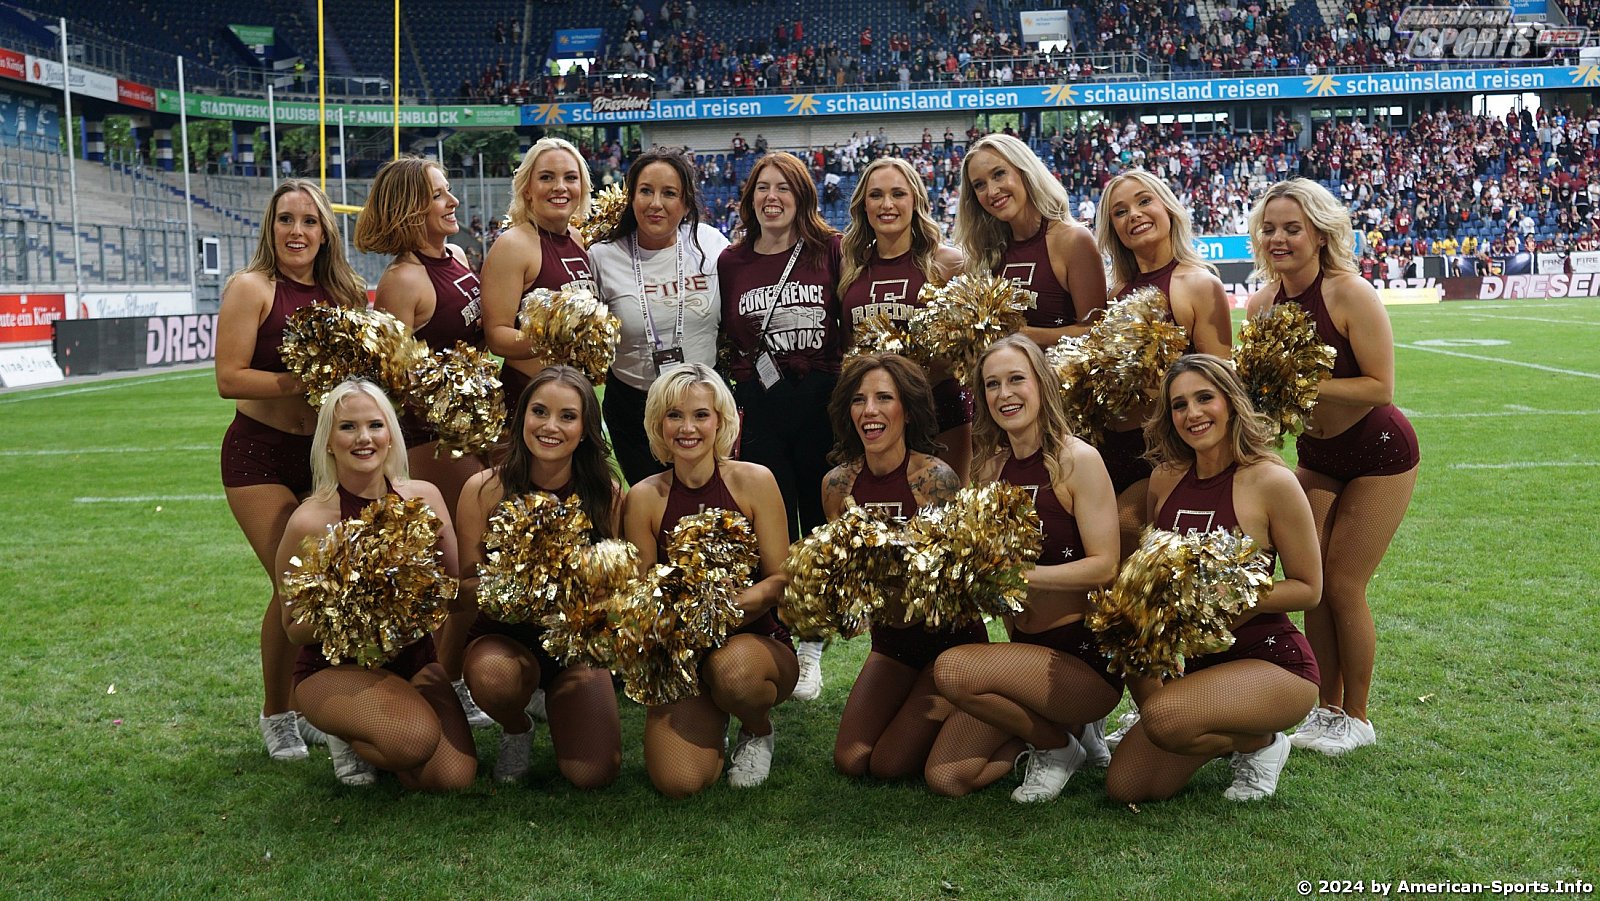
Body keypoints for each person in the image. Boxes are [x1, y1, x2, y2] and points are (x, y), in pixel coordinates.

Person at [1247, 179, 1419, 755]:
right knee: (1313, 586)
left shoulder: (1349, 293)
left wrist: (1297, 380)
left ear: (1320, 234)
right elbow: (1266, 395)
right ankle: (1327, 710)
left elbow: (1380, 387)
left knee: (1344, 585)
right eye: (1270, 228)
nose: (1278, 238)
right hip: (1316, 456)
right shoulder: (1260, 305)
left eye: (1292, 228)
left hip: (1379, 453)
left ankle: (1359, 718)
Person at [1104, 355, 1322, 803]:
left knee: (1163, 719)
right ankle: (1217, 730)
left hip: (1268, 660)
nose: (1193, 413)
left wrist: (1226, 594)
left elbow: (1309, 588)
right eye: (1179, 405)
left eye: (1205, 398)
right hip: (1195, 665)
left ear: (1231, 402)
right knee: (1127, 787)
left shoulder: (1271, 480)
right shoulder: (1164, 479)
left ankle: (1261, 742)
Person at [924, 335, 1121, 802]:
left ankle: (1058, 746)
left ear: (1042, 383)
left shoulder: (1077, 459)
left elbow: (1105, 566)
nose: (1004, 394)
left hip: (1082, 661)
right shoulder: (989, 468)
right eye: (992, 385)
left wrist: (1019, 576)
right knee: (947, 779)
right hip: (1022, 656)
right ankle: (1064, 737)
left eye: (1016, 379)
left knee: (953, 671)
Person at [215, 179, 367, 760]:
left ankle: (310, 706)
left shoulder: (347, 292)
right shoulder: (252, 287)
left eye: (309, 221)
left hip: (324, 458)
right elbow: (229, 378)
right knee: (295, 585)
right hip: (260, 454)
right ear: (270, 227)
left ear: (326, 231)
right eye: (286, 219)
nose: (297, 231)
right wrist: (305, 377)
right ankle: (278, 715)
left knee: (323, 583)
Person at [275, 379, 476, 790]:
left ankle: (389, 722)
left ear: (391, 435)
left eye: (375, 425)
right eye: (348, 427)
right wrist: (360, 606)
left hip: (414, 660)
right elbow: (293, 627)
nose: (363, 438)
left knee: (454, 777)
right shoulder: (309, 521)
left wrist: (512, 583)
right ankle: (346, 732)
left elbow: (454, 592)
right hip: (334, 669)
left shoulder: (425, 497)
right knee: (413, 741)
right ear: (328, 441)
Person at [354, 157, 492, 726]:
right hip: (431, 440)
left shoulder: (456, 256)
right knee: (462, 568)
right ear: (412, 209)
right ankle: (445, 682)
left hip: (473, 431)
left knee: (481, 559)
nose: (452, 201)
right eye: (438, 195)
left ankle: (455, 675)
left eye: (448, 190)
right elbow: (390, 380)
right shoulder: (403, 281)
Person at [621, 364, 797, 796]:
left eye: (701, 414)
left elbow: (781, 579)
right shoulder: (643, 497)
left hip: (755, 643)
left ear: (721, 421)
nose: (688, 428)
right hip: (682, 654)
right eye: (674, 415)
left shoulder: (755, 481)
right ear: (658, 423)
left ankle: (756, 728)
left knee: (733, 673)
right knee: (679, 782)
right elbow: (645, 596)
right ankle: (710, 715)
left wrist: (728, 607)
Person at [454, 367, 624, 787]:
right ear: (522, 417)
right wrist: (521, 584)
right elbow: (464, 590)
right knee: (495, 679)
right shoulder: (483, 489)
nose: (550, 426)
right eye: (539, 411)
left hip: (573, 647)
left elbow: (618, 588)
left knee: (593, 774)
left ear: (585, 429)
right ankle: (517, 727)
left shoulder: (606, 493)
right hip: (503, 638)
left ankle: (560, 701)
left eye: (568, 416)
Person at [718, 151, 843, 702]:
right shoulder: (732, 261)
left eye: (784, 188)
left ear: (802, 196)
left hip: (821, 402)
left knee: (817, 522)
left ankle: (811, 643)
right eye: (762, 188)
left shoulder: (830, 248)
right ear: (749, 199)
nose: (772, 198)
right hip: (762, 404)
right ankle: (782, 632)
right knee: (772, 527)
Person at [822, 354, 973, 780]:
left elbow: (953, 584)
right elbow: (844, 576)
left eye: (884, 398)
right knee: (851, 760)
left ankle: (969, 707)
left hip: (946, 643)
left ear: (907, 409)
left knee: (890, 765)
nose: (869, 410)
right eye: (858, 400)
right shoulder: (836, 485)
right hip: (890, 646)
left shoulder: (935, 479)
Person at [1095, 168, 1234, 554]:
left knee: (1121, 533)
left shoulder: (1198, 284)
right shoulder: (1114, 294)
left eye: (1144, 201)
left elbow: (1222, 385)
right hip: (1109, 447)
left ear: (1168, 208)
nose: (1134, 215)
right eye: (1120, 212)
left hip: (1166, 451)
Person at [590, 146, 730, 486]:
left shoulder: (710, 243)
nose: (656, 203)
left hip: (705, 401)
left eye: (669, 193)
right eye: (646, 191)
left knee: (710, 502)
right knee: (653, 502)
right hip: (634, 405)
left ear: (686, 203)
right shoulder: (602, 256)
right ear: (631, 198)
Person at [838, 157, 972, 482]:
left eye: (898, 194)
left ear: (916, 201)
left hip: (941, 411)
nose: (887, 205)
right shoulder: (850, 267)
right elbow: (848, 348)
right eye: (876, 195)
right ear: (864, 205)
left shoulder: (950, 263)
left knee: (946, 509)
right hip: (875, 417)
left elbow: (969, 352)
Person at [481, 137, 597, 416]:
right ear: (528, 189)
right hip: (530, 397)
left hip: (574, 396)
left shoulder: (577, 239)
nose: (560, 186)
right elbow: (497, 336)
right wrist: (559, 340)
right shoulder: (513, 245)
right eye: (546, 177)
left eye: (571, 178)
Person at [955, 133, 1105, 347]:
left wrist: (1018, 336)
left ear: (1026, 171)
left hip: (1056, 369)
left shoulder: (1072, 240)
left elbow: (1096, 332)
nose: (992, 191)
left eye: (999, 174)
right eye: (979, 185)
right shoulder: (982, 253)